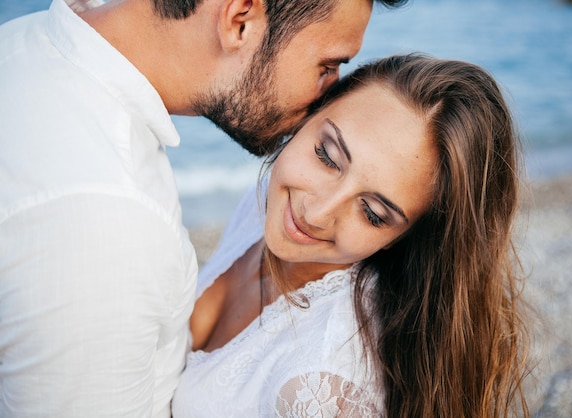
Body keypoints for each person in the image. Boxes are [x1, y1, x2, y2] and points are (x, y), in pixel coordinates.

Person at [0, 0, 406, 416]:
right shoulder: (109, 225)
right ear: (240, 20)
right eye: (328, 66)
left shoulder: (22, 43)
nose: (327, 95)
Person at [172, 54, 532, 417]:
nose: (315, 213)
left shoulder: (323, 386)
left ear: (399, 239)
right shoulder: (266, 204)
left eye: (373, 213)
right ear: (308, 116)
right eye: (327, 156)